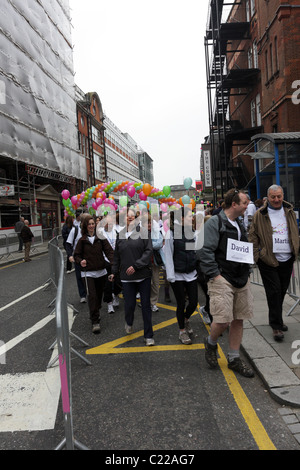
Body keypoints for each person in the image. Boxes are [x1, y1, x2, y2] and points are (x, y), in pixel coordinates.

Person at [198, 188, 254, 377]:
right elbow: (203, 250)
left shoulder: (239, 223)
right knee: (222, 321)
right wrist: (215, 275)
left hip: (241, 278)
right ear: (234, 204)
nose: (248, 206)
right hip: (222, 278)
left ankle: (233, 358)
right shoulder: (215, 222)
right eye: (245, 202)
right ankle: (211, 343)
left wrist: (248, 269)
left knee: (238, 318)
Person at [249, 184, 299, 341]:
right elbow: (252, 235)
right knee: (274, 291)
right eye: (273, 197)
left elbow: (294, 230)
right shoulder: (260, 214)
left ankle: (278, 320)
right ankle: (276, 326)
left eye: (279, 196)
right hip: (268, 259)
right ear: (267, 197)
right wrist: (257, 255)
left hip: (287, 258)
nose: (276, 199)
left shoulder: (289, 211)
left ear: (283, 196)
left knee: (282, 290)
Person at [109, 208, 155, 346]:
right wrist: (113, 272)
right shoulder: (120, 234)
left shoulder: (144, 232)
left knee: (146, 306)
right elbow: (116, 256)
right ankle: (129, 322)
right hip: (126, 278)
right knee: (129, 305)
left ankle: (149, 336)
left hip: (143, 275)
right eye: (127, 216)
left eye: (132, 216)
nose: (129, 218)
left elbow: (148, 251)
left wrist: (136, 266)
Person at [74, 215, 114, 334]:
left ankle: (95, 310)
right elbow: (76, 255)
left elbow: (109, 251)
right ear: (85, 226)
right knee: (92, 296)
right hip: (88, 273)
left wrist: (113, 264)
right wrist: (81, 261)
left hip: (101, 272)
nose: (91, 226)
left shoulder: (100, 238)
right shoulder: (82, 241)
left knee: (98, 296)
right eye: (89, 224)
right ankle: (95, 321)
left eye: (93, 224)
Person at [164, 207, 198, 345]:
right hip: (177, 275)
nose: (192, 218)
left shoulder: (192, 232)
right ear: (182, 219)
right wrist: (170, 275)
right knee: (181, 303)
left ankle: (185, 318)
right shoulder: (171, 234)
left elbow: (193, 250)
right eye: (190, 216)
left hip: (191, 273)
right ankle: (182, 331)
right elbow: (168, 255)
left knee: (194, 302)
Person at [97, 212, 122, 314]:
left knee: (117, 282)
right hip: (105, 261)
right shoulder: (100, 233)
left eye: (111, 222)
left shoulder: (117, 231)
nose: (109, 224)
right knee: (107, 284)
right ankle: (109, 303)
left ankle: (116, 295)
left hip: (116, 261)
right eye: (107, 223)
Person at [66, 213, 88, 303]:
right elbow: (68, 244)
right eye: (87, 222)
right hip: (78, 257)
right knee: (80, 276)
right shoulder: (74, 230)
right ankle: (83, 295)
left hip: (90, 256)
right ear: (82, 222)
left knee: (91, 276)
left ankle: (93, 293)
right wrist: (70, 255)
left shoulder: (92, 229)